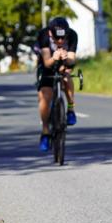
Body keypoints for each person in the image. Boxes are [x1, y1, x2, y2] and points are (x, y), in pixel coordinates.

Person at [34, 17, 78, 151]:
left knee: (67, 77)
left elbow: (72, 60)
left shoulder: (72, 35)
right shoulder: (44, 35)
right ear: (50, 34)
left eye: (63, 38)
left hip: (63, 64)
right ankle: (45, 131)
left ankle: (70, 109)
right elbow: (47, 62)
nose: (60, 41)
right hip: (47, 65)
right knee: (45, 96)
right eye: (57, 39)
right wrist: (54, 57)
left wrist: (66, 59)